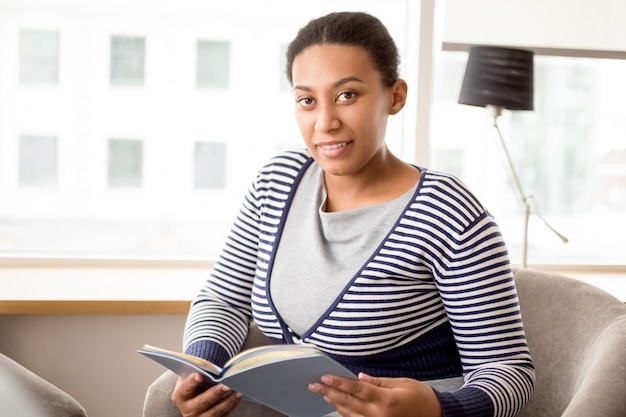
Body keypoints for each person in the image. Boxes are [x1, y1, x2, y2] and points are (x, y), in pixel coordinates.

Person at [172, 11, 535, 417]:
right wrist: (200, 369)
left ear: (395, 97)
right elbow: (224, 299)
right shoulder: (277, 182)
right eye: (307, 100)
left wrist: (437, 409)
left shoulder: (447, 211)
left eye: (347, 95)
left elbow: (508, 372)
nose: (324, 122)